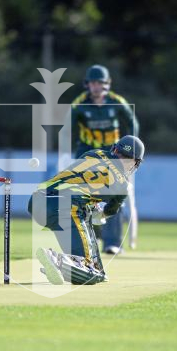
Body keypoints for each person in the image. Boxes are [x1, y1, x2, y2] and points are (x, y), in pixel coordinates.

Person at [29, 135, 145, 285]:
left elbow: (81, 181)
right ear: (134, 163)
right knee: (91, 270)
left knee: (83, 263)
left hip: (37, 201)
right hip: (66, 208)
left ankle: (60, 265)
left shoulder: (94, 153)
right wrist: (99, 212)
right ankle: (55, 258)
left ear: (115, 149)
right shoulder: (123, 186)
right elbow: (109, 211)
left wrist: (89, 205)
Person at [68, 65, 140, 254]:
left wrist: (130, 151)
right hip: (87, 156)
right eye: (93, 83)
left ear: (107, 84)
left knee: (115, 196)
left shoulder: (117, 102)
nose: (96, 86)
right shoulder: (79, 103)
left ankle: (112, 243)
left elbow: (132, 123)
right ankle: (94, 235)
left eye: (100, 83)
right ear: (88, 84)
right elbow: (66, 128)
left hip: (114, 156)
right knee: (85, 199)